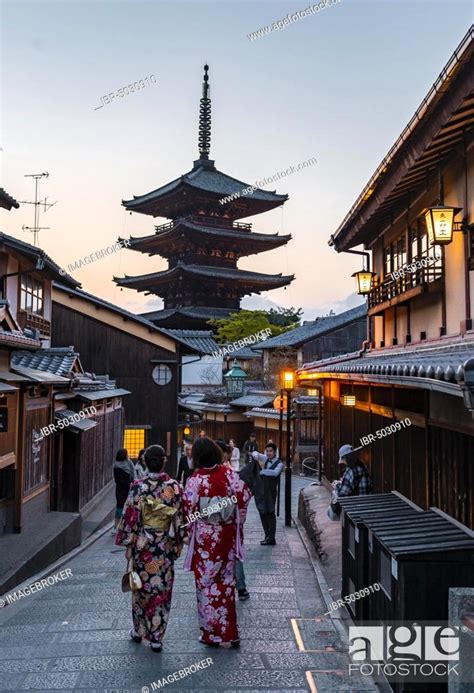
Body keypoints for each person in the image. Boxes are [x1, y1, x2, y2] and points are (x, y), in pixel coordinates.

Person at [115, 445, 186, 652]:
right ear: (164, 461)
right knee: (161, 590)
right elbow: (180, 518)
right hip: (164, 546)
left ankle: (139, 630)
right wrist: (179, 541)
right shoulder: (174, 487)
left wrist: (128, 543)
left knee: (141, 589)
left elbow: (130, 517)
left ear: (145, 462)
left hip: (143, 546)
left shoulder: (138, 487)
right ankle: (157, 636)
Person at [183, 437, 252, 648]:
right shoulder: (230, 475)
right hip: (227, 535)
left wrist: (190, 530)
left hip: (206, 538)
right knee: (226, 585)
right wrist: (235, 521)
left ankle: (211, 634)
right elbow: (245, 497)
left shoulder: (195, 480)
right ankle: (231, 633)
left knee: (205, 586)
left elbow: (188, 508)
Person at [215, 440, 250, 602]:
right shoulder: (231, 476)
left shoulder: (199, 476)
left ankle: (228, 586)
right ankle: (238, 587)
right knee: (234, 553)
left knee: (220, 555)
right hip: (230, 523)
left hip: (212, 527)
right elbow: (243, 496)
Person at [252, 443, 283, 545]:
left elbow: (275, 473)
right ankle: (267, 536)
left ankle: (271, 537)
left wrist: (262, 472)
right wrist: (256, 456)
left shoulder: (279, 464)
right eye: (267, 451)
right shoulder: (265, 459)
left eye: (271, 451)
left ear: (275, 452)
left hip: (271, 492)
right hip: (262, 491)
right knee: (262, 512)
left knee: (270, 513)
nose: (269, 453)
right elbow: (255, 453)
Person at [112, 449, 135, 535]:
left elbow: (132, 473)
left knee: (129, 507)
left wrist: (133, 483)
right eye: (126, 454)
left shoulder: (128, 462)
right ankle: (116, 526)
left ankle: (126, 526)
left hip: (130, 488)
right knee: (120, 506)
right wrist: (127, 483)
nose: (127, 456)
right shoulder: (117, 466)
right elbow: (117, 479)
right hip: (121, 489)